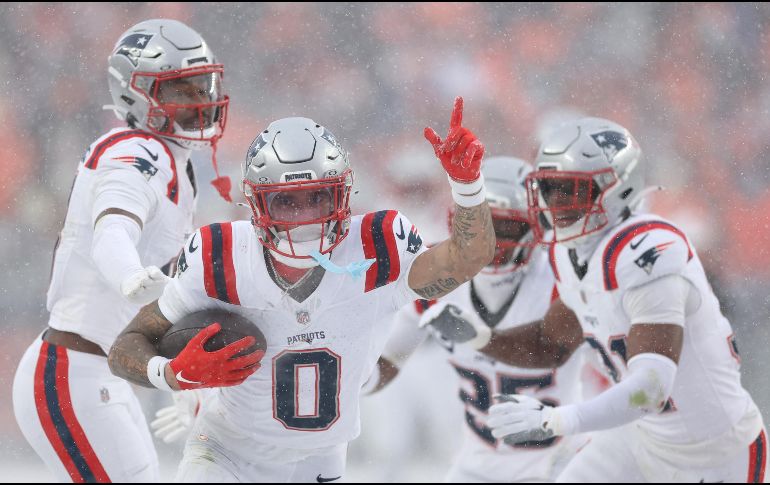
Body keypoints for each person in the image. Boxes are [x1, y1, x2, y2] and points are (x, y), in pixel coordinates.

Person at [107, 97, 496, 482]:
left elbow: (465, 259)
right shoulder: (221, 256)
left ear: (343, 194)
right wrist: (171, 374)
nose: (305, 217)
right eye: (286, 202)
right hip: (227, 454)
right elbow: (129, 343)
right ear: (257, 204)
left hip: (320, 461)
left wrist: (467, 188)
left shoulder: (378, 245)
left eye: (317, 198)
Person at [467, 117, 765, 482]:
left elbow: (652, 388)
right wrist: (474, 335)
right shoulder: (571, 252)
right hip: (640, 438)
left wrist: (555, 420)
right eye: (548, 189)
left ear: (616, 189)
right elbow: (552, 341)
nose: (555, 204)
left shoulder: (649, 252)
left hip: (711, 451)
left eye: (570, 191)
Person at [12, 18, 230, 482]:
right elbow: (112, 230)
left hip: (108, 369)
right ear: (138, 94)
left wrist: (176, 370)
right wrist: (130, 274)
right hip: (71, 371)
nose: (199, 103)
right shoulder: (135, 150)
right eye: (180, 91)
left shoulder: (175, 160)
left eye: (201, 87)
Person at [367, 156, 590, 482]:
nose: (490, 241)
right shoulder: (437, 272)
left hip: (559, 463)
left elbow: (550, 348)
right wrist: (346, 381)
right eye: (480, 225)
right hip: (476, 466)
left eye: (506, 225)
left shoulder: (561, 275)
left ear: (535, 226)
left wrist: (477, 337)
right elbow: (388, 360)